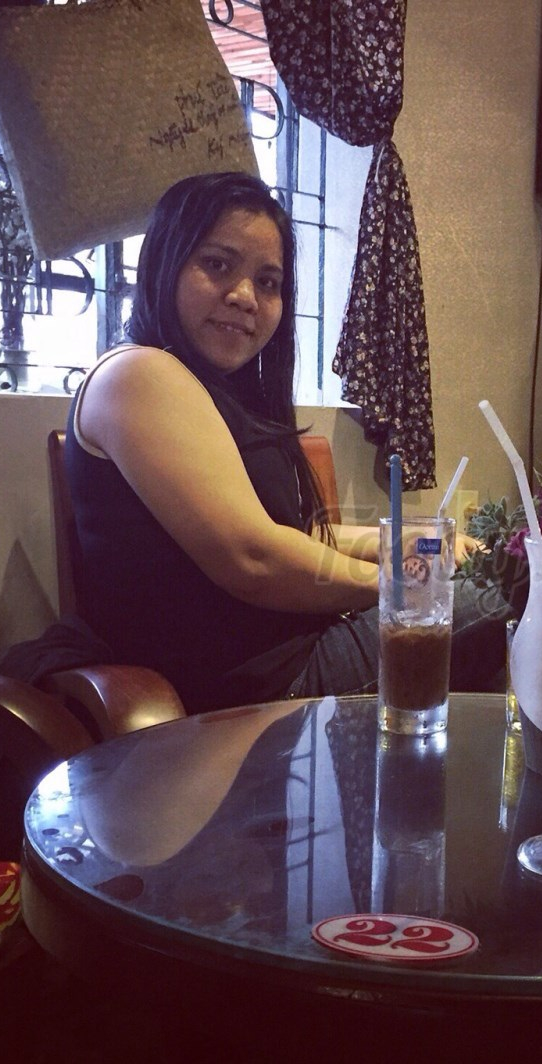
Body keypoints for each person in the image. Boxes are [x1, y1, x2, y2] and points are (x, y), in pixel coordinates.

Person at [62, 171, 510, 714]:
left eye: (268, 281)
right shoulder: (137, 374)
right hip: (252, 689)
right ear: (164, 263)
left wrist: (409, 543)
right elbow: (254, 557)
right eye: (217, 265)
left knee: (484, 579)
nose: (245, 297)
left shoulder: (216, 391)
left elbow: (291, 534)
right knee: (506, 594)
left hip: (294, 651)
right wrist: (402, 584)